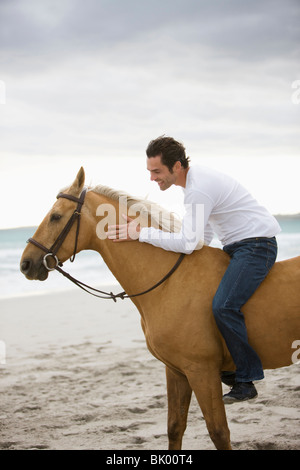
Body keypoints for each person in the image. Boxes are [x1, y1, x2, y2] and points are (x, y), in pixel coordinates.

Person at [107, 136, 281, 403]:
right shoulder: (194, 185)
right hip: (236, 246)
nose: (153, 178)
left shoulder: (197, 189)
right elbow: (204, 232)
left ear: (177, 166)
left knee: (224, 306)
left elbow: (188, 242)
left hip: (256, 246)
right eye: (150, 172)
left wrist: (141, 233)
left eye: (157, 171)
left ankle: (245, 379)